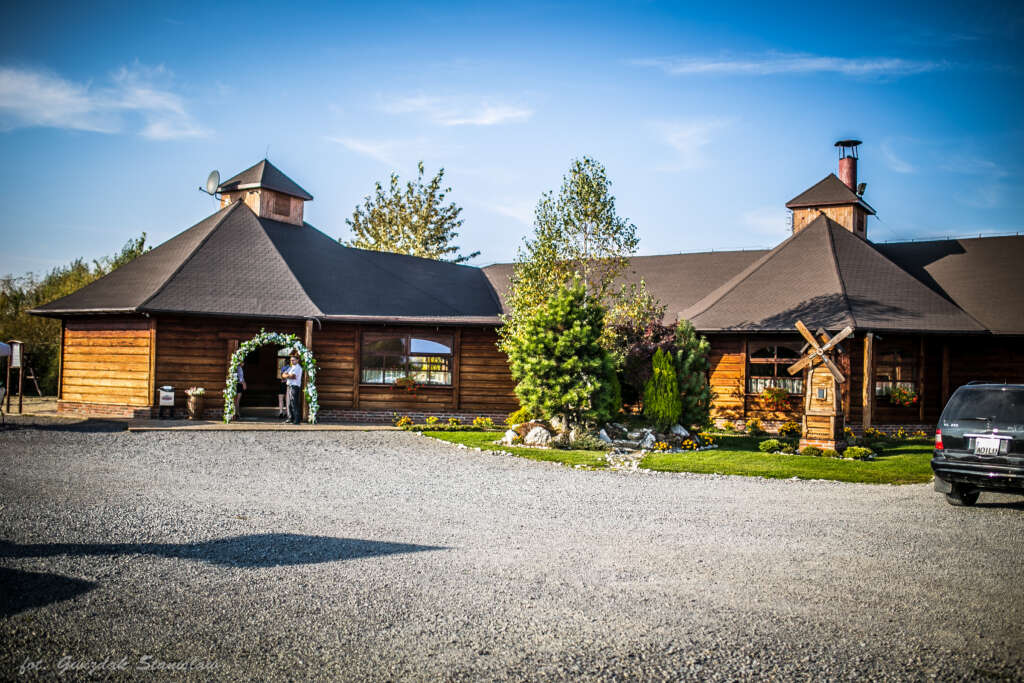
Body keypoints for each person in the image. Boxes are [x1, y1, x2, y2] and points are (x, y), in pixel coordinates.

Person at [281, 354, 303, 424]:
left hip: (295, 387)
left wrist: (286, 375)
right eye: (291, 360)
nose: (292, 361)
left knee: (294, 403)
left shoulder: (298, 367)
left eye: (293, 360)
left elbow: (293, 376)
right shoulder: (291, 367)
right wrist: (287, 375)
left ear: (297, 360)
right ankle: (291, 418)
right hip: (289, 386)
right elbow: (283, 375)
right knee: (290, 404)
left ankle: (296, 420)